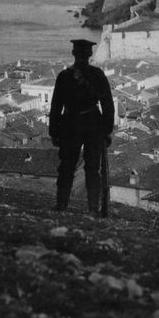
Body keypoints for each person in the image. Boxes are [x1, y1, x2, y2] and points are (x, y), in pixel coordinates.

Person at [49, 39, 114, 215]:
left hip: (70, 124)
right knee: (93, 169)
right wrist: (107, 130)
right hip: (93, 124)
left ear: (74, 54)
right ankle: (93, 208)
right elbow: (107, 104)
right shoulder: (98, 75)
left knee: (67, 166)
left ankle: (61, 204)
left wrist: (53, 131)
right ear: (89, 54)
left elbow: (56, 106)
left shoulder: (64, 76)